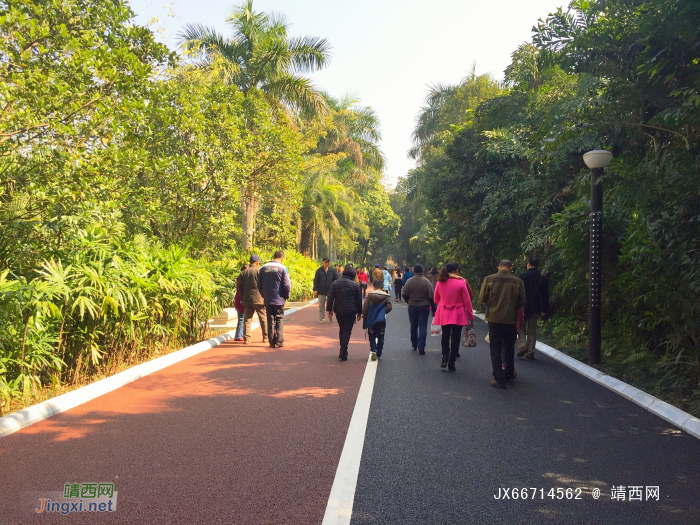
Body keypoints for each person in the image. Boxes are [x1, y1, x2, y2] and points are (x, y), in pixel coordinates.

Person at [479, 260, 526, 389]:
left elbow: (482, 298)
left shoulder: (489, 279)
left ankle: (499, 378)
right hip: (510, 319)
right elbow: (522, 301)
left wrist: (491, 305)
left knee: (495, 348)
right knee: (510, 347)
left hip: (494, 318)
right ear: (511, 268)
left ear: (499, 267)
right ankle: (509, 373)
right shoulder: (518, 281)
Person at [434, 263, 474, 371]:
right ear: (456, 270)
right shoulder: (461, 282)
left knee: (445, 336)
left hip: (444, 312)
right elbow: (467, 301)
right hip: (458, 313)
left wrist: (443, 303)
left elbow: (436, 299)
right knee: (455, 338)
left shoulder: (440, 282)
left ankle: (444, 357)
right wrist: (470, 315)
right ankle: (452, 362)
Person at [326, 265, 363, 361]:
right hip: (351, 311)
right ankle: (343, 350)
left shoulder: (335, 283)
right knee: (347, 330)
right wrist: (360, 312)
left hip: (339, 310)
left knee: (342, 329)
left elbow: (330, 297)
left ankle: (343, 349)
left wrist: (329, 309)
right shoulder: (355, 285)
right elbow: (358, 300)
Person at [517, 257, 550, 360]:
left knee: (520, 326)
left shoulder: (523, 275)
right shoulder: (542, 277)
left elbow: (518, 292)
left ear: (529, 264)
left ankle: (522, 345)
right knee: (532, 329)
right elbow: (545, 295)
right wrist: (544, 309)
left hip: (523, 307)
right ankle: (530, 351)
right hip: (536, 307)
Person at [258, 250, 291, 348]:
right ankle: (279, 341)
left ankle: (272, 341)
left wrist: (264, 294)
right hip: (279, 298)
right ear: (282, 259)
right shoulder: (283, 268)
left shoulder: (263, 268)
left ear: (273, 257)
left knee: (270, 319)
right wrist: (287, 295)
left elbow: (259, 284)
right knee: (280, 318)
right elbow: (287, 284)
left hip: (268, 299)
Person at [402, 263, 434, 355]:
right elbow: (431, 296)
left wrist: (409, 301)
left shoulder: (409, 281)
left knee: (413, 325)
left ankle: (414, 344)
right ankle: (421, 346)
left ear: (414, 271)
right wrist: (434, 308)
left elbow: (404, 294)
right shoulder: (427, 281)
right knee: (423, 326)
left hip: (412, 305)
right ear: (423, 271)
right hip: (424, 306)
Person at [239, 255, 267, 344]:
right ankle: (266, 337)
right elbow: (264, 285)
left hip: (247, 299)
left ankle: (247, 338)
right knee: (263, 318)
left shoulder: (243, 272)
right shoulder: (260, 271)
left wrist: (243, 297)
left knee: (247, 319)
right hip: (259, 299)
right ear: (257, 262)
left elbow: (240, 288)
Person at [362, 279, 393, 360]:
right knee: (381, 335)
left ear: (374, 287)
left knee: (371, 335)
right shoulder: (386, 296)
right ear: (382, 287)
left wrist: (364, 316)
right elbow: (389, 307)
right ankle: (379, 352)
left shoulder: (370, 296)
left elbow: (365, 307)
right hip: (381, 320)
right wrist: (382, 312)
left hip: (371, 319)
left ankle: (374, 350)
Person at [313, 258, 337, 324]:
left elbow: (336, 279)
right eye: (326, 262)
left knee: (331, 305)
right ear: (323, 262)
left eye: (328, 262)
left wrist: (335, 288)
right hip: (321, 290)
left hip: (330, 290)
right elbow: (316, 281)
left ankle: (330, 315)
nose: (327, 263)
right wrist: (315, 289)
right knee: (321, 305)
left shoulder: (332, 270)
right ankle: (322, 318)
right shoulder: (319, 271)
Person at [233, 264, 249, 341]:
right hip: (241, 300)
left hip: (240, 299)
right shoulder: (241, 279)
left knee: (242, 318)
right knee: (242, 318)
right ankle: (239, 335)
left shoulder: (241, 278)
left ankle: (240, 334)